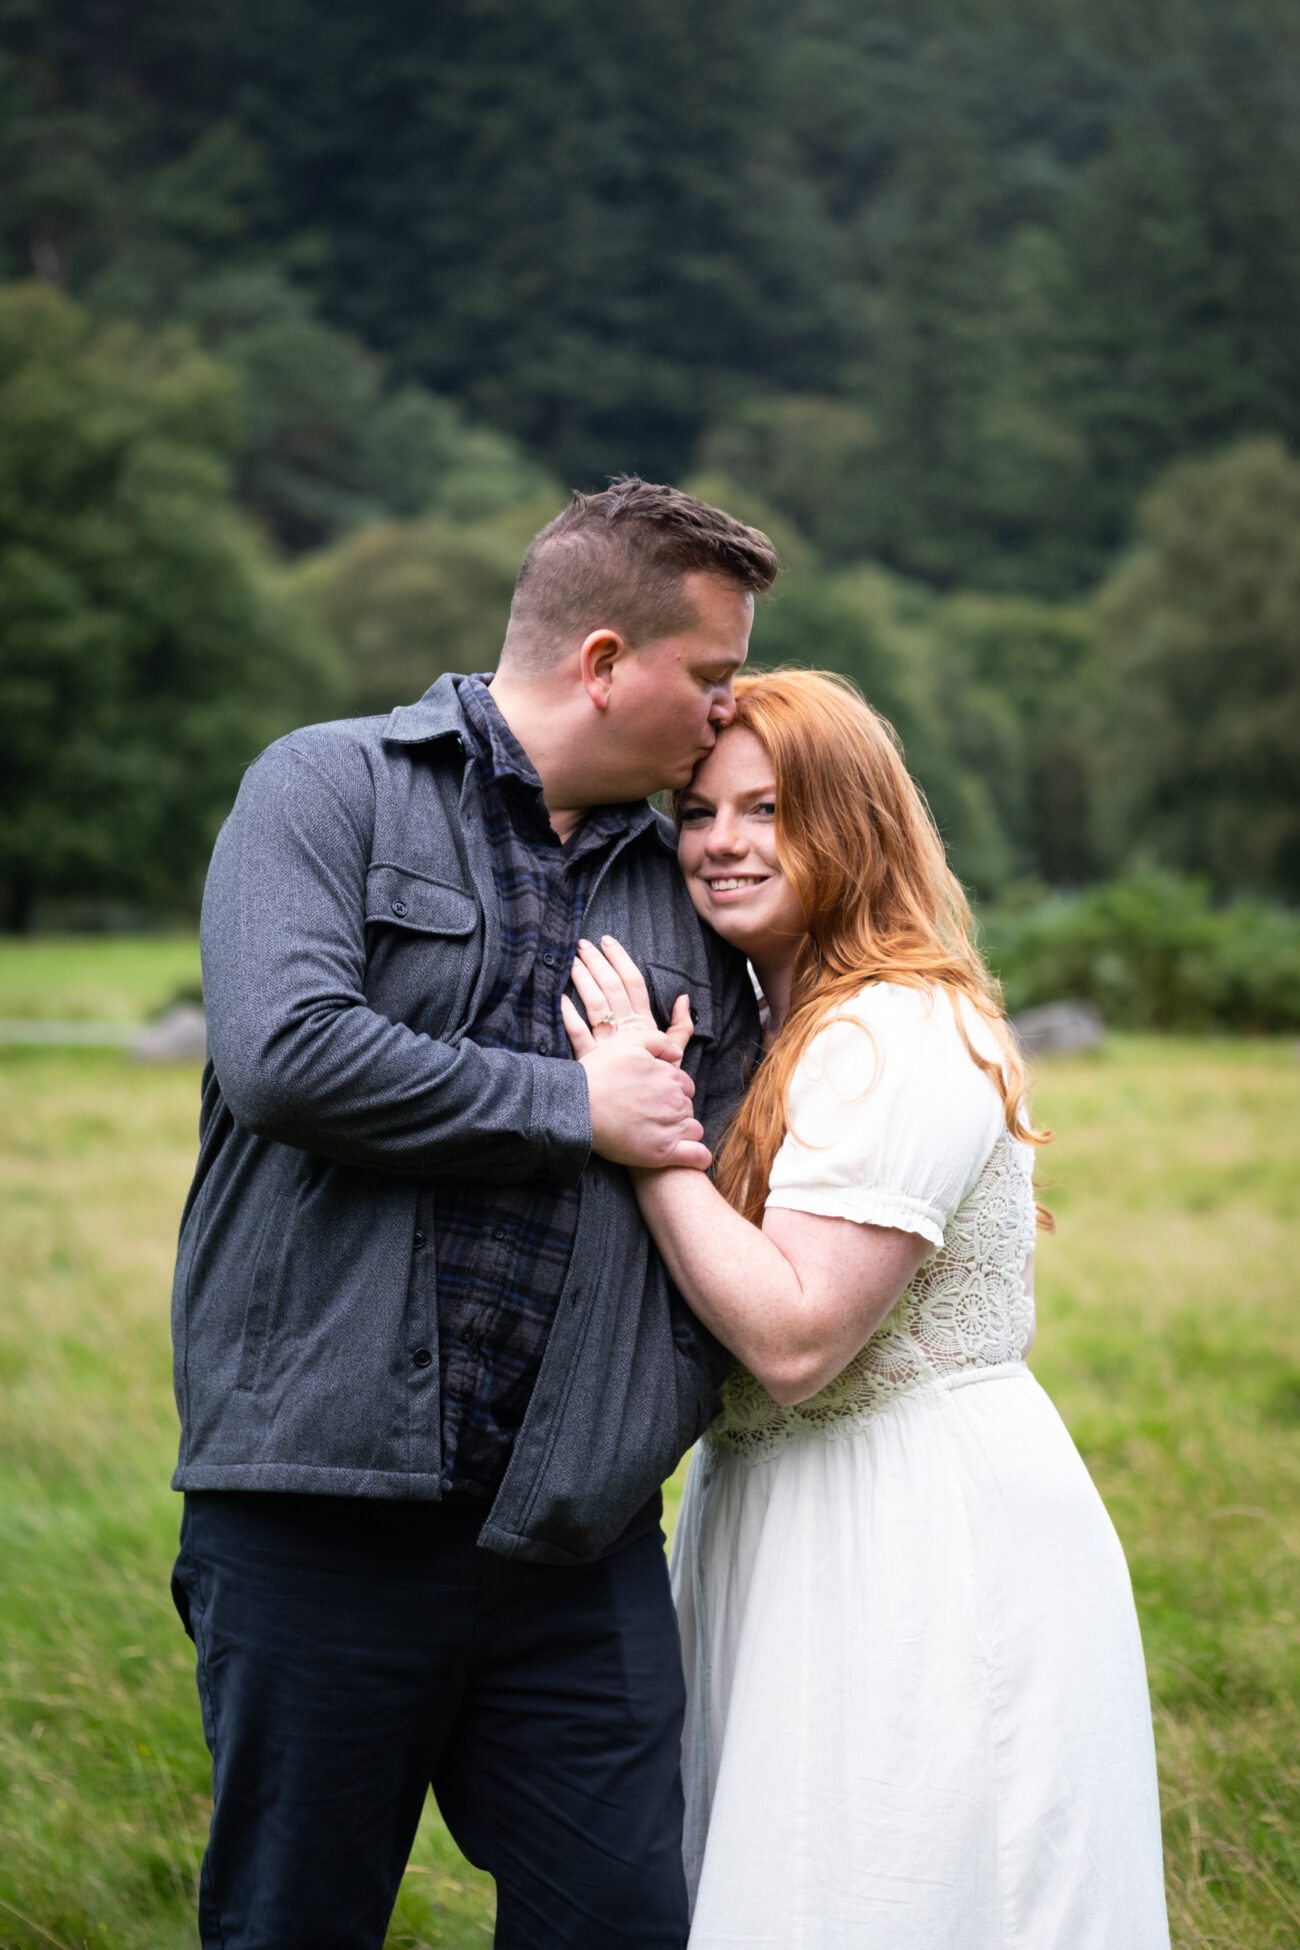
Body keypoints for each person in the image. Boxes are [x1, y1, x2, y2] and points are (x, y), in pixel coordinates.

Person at [167, 479, 778, 1949]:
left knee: (625, 1922)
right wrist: (579, 1107)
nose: (724, 711)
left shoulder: (688, 887)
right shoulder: (326, 786)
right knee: (290, 1925)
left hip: (577, 1536)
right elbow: (285, 1051)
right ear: (607, 661)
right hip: (313, 1505)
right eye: (710, 675)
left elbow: (748, 1141)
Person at [562, 669, 1171, 1949]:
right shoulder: (774, 1023)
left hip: (912, 1526)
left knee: (899, 1884)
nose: (722, 843)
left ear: (853, 825)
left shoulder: (893, 1031)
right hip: (783, 1513)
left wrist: (643, 1134)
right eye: (699, 810)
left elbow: (793, 1337)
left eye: (768, 809)